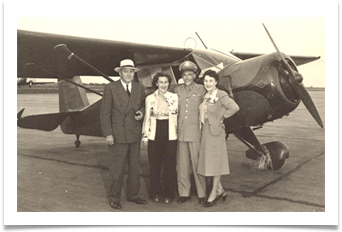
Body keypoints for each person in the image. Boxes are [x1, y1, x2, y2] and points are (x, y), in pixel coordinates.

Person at [100, 59, 147, 210]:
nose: (128, 74)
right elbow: (104, 113)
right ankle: (114, 198)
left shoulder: (139, 88)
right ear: (120, 73)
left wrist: (142, 113)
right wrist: (108, 134)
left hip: (133, 133)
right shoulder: (111, 88)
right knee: (117, 169)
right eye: (125, 71)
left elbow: (144, 105)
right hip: (117, 134)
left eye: (131, 71)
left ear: (134, 73)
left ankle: (133, 195)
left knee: (134, 168)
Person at [197, 69, 239, 207]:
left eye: (210, 81)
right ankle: (221, 190)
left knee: (215, 164)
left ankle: (214, 193)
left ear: (216, 82)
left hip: (215, 133)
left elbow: (234, 107)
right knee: (209, 162)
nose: (208, 83)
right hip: (205, 133)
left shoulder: (221, 94)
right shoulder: (206, 95)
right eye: (206, 80)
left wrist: (221, 118)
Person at [142, 72, 178, 204]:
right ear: (156, 83)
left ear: (169, 83)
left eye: (166, 82)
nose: (163, 85)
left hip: (170, 134)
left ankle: (169, 194)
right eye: (160, 82)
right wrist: (145, 136)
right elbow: (146, 118)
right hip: (154, 133)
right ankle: (155, 193)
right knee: (154, 165)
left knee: (169, 165)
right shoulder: (150, 98)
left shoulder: (175, 97)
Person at [174, 61, 207, 204]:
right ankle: (183, 192)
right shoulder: (176, 90)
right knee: (182, 164)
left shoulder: (201, 89)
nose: (187, 77)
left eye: (190, 74)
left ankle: (202, 193)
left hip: (195, 132)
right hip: (180, 132)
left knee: (198, 163)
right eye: (184, 75)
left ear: (194, 75)